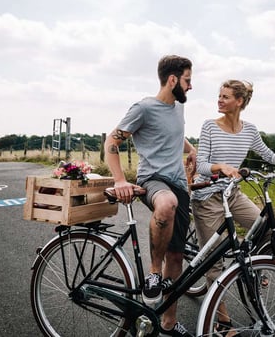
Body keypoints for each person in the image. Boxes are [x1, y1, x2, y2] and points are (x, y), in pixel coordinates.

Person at [191, 79, 275, 336]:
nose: (219, 100)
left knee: (264, 226)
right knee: (213, 262)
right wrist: (222, 168)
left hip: (233, 194)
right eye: (219, 95)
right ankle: (223, 321)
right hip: (208, 197)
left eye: (225, 97)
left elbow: (267, 154)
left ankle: (254, 267)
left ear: (239, 102)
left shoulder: (249, 130)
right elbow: (202, 166)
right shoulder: (209, 126)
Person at [104, 55, 197, 337]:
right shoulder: (144, 108)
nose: (191, 87)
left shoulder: (177, 109)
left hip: (179, 184)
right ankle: (153, 273)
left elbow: (173, 136)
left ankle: (168, 323)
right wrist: (120, 179)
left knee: (178, 257)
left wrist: (191, 149)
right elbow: (112, 140)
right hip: (153, 180)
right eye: (188, 80)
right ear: (173, 80)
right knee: (166, 204)